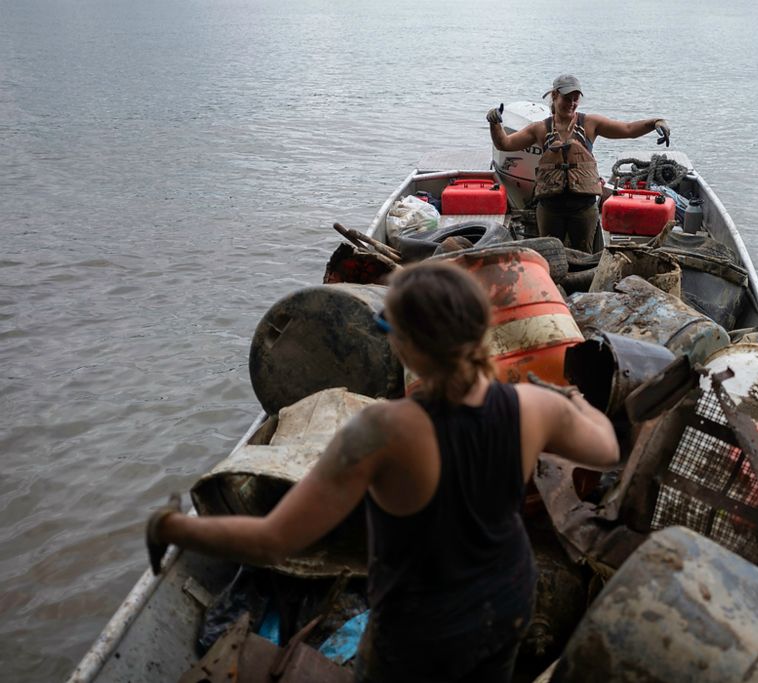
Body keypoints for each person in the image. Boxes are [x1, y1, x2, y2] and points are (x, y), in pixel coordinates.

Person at [145, 261, 620, 683]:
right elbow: (607, 450)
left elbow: (274, 541)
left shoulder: (381, 429)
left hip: (420, 626)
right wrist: (572, 401)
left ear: (405, 345)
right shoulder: (533, 406)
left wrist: (174, 527)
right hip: (510, 599)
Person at [487, 74, 670, 253]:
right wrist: (494, 123)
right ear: (555, 96)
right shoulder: (540, 128)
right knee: (551, 254)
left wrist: (654, 123)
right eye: (567, 98)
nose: (572, 104)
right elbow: (505, 144)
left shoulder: (590, 123)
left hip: (583, 208)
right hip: (550, 208)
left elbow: (628, 129)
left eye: (576, 99)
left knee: (584, 254)